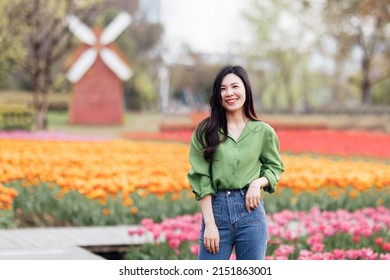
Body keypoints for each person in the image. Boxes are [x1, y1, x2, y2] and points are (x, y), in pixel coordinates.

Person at [187, 65, 284, 260]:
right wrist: (210, 225)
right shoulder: (205, 131)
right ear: (217, 95)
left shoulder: (263, 131)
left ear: (246, 89)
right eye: (223, 89)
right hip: (216, 212)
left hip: (251, 215)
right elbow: (201, 178)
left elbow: (274, 167)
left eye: (234, 87)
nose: (229, 93)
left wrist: (257, 183)